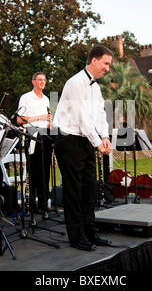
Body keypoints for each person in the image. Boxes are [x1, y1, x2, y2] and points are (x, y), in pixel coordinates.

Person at [53, 46, 113, 251]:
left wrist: (104, 136)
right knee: (74, 190)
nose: (107, 68)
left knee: (90, 189)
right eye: (106, 63)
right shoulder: (76, 82)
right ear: (94, 61)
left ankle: (91, 231)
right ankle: (76, 236)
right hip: (68, 139)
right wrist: (98, 143)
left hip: (86, 139)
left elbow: (99, 114)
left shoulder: (95, 86)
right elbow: (82, 119)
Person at [17, 72, 53, 214]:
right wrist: (39, 117)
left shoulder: (46, 99)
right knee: (33, 171)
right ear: (33, 82)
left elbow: (47, 118)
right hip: (31, 134)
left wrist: (49, 123)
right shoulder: (26, 97)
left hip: (45, 134)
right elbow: (19, 120)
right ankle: (31, 205)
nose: (42, 82)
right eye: (39, 80)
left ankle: (44, 204)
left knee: (45, 170)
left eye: (44, 80)